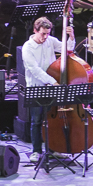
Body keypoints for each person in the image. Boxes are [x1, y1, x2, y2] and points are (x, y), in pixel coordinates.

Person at [21, 16, 74, 164]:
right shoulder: (28, 47)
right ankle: (36, 151)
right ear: (35, 30)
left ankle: (52, 149)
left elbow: (67, 49)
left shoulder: (50, 40)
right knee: (36, 121)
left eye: (47, 33)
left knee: (52, 120)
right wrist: (53, 82)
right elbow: (35, 70)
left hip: (51, 87)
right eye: (43, 34)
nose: (45, 37)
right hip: (36, 87)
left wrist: (71, 37)